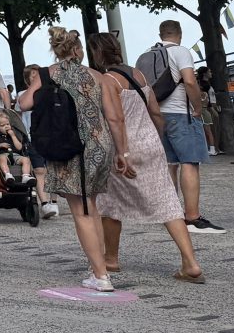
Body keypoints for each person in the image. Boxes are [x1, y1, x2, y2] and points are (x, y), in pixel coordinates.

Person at [90, 33, 205, 283]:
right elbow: (155, 111)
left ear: (98, 54)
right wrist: (157, 140)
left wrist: (123, 152)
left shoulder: (108, 80)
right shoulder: (139, 75)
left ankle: (111, 258)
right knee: (168, 204)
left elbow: (115, 118)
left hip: (126, 146)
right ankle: (191, 262)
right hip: (151, 143)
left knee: (110, 203)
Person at [21, 26, 125, 294]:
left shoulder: (47, 74)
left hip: (69, 145)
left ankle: (101, 276)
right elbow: (114, 117)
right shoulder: (98, 76)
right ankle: (97, 267)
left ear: (56, 49)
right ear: (78, 50)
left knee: (81, 211)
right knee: (93, 207)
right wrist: (122, 152)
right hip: (100, 144)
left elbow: (24, 104)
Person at [138, 19, 225, 234]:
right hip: (181, 113)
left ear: (160, 34)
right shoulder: (181, 52)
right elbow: (189, 81)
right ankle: (192, 217)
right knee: (189, 162)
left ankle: (170, 212)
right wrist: (197, 106)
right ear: (179, 33)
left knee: (169, 163)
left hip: (158, 114)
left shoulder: (146, 54)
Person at [18, 64, 58, 217]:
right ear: (27, 80)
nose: (35, 79)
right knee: (39, 170)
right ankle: (45, 202)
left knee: (53, 169)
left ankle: (54, 201)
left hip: (50, 135)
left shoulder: (50, 92)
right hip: (32, 136)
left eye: (38, 76)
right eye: (32, 76)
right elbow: (20, 116)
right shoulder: (23, 95)